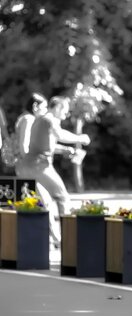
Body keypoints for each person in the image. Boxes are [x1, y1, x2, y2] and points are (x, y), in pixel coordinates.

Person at [21, 96, 90, 244]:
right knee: (63, 197)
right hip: (40, 167)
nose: (66, 114)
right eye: (64, 110)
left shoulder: (40, 120)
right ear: (57, 107)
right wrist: (80, 138)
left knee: (44, 204)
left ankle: (53, 239)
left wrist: (66, 150)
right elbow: (60, 135)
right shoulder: (49, 119)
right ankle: (69, 239)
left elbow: (47, 145)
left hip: (26, 168)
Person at [15, 93, 48, 175]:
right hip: (25, 163)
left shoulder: (25, 117)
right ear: (35, 106)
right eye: (44, 107)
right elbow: (24, 144)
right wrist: (28, 162)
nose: (46, 111)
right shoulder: (28, 119)